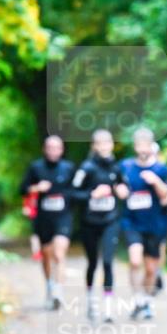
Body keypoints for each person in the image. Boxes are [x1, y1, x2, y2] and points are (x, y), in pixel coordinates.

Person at [120, 128, 167, 320]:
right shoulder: (125, 167)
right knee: (134, 261)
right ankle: (137, 299)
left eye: (145, 146)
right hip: (132, 222)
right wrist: (119, 188)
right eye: (139, 145)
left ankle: (147, 301)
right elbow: (115, 182)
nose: (142, 149)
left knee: (151, 269)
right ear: (135, 147)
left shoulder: (161, 170)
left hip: (155, 224)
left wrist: (156, 182)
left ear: (151, 147)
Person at [71, 129, 129, 323]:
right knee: (93, 263)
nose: (105, 147)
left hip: (110, 221)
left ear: (112, 144)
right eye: (100, 143)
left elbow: (124, 188)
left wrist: (123, 191)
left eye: (108, 142)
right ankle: (90, 300)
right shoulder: (86, 168)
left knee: (108, 262)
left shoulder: (116, 167)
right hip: (89, 223)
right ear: (94, 146)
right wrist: (92, 195)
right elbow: (72, 193)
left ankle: (108, 308)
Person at [19, 135, 75, 309]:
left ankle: (59, 290)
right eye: (50, 147)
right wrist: (36, 188)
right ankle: (50, 286)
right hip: (43, 218)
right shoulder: (36, 167)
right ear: (44, 149)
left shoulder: (69, 168)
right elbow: (22, 189)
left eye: (56, 148)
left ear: (62, 150)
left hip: (63, 216)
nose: (53, 151)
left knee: (59, 253)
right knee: (46, 254)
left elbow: (77, 190)